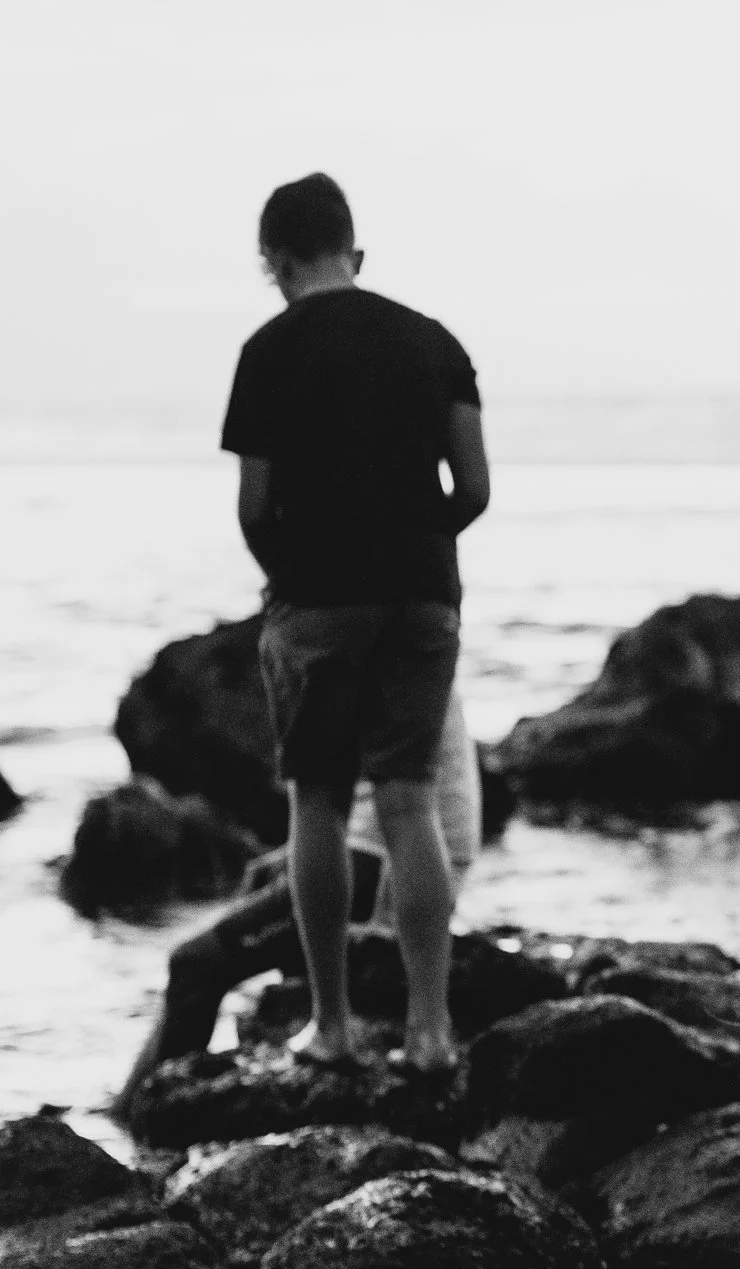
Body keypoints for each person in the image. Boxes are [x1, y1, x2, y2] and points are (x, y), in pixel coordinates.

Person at [223, 171, 490, 1069]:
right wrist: (412, 547)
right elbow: (476, 488)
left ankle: (331, 1027)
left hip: (318, 602)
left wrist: (298, 577)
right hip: (422, 596)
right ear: (357, 253)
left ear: (277, 262)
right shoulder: (435, 343)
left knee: (320, 806)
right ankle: (429, 1032)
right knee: (410, 801)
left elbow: (255, 508)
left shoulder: (268, 351)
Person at [119, 695, 482, 1101]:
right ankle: (126, 1109)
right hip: (400, 851)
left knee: (194, 964)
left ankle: (136, 1119)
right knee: (252, 899)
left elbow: (328, 796)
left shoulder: (342, 639)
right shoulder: (416, 641)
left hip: (377, 864)